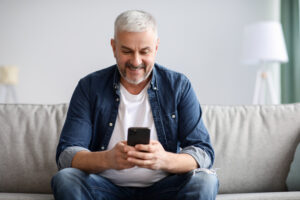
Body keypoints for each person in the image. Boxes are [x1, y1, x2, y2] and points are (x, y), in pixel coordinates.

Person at [51, 10, 219, 200]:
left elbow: (203, 152)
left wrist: (164, 159)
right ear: (113, 47)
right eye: (127, 51)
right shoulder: (89, 87)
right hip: (105, 189)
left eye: (144, 51)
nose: (136, 61)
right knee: (65, 179)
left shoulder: (179, 86)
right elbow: (66, 155)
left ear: (156, 47)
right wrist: (108, 159)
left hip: (164, 189)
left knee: (206, 180)